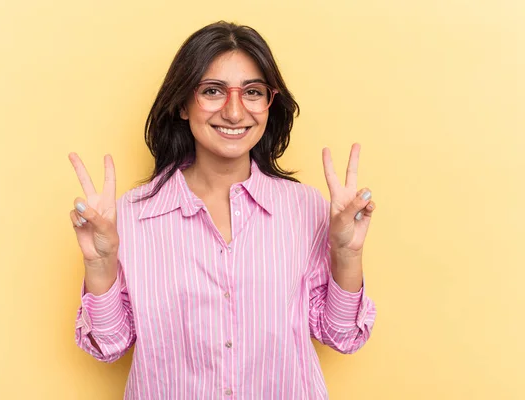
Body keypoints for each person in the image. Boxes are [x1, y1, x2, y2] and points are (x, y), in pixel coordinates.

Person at [68, 21, 377, 400]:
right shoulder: (128, 217)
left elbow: (341, 336)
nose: (234, 112)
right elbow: (109, 345)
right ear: (182, 103)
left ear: (269, 103)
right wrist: (100, 265)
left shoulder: (306, 208)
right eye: (212, 91)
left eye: (253, 92)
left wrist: (347, 254)